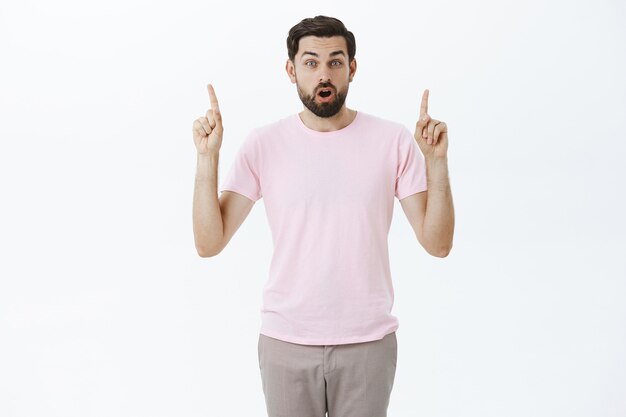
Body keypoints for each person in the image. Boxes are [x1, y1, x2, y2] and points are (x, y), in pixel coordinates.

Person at [192, 15, 454, 417]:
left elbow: (438, 244)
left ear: (352, 68)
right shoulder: (264, 144)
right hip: (286, 342)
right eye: (311, 62)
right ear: (291, 70)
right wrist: (207, 159)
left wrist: (436, 162)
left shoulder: (392, 140)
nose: (323, 73)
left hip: (368, 342)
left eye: (335, 61)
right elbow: (209, 242)